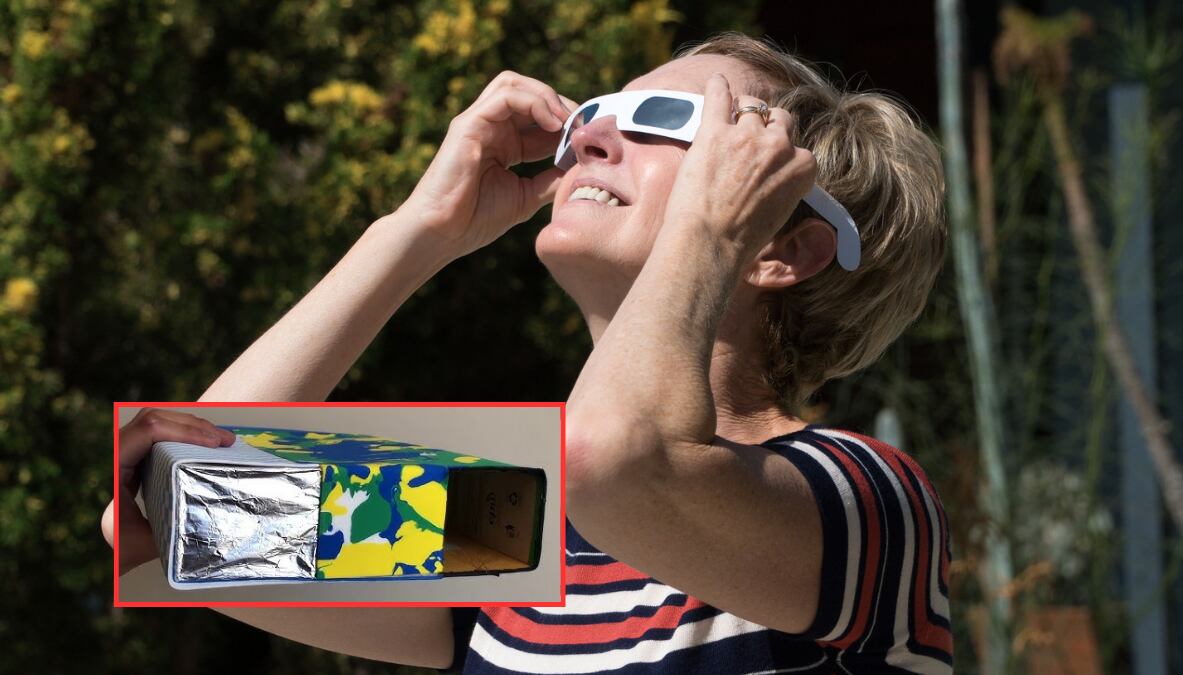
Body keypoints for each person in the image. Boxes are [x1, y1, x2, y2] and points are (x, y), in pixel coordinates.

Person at [102, 32, 952, 674]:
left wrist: (711, 230)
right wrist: (416, 232)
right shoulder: (519, 526)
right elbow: (178, 518)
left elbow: (616, 457)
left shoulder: (867, 500)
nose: (588, 138)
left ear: (784, 247)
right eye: (592, 116)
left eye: (664, 122)